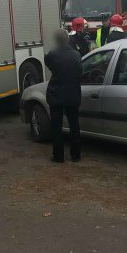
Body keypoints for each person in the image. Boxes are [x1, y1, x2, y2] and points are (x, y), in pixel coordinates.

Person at [44, 29, 83, 163]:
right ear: (67, 39)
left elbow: (50, 65)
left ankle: (58, 156)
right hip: (72, 95)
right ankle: (76, 155)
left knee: (57, 127)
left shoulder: (51, 55)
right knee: (74, 126)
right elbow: (79, 72)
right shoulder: (76, 55)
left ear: (56, 41)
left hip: (56, 95)